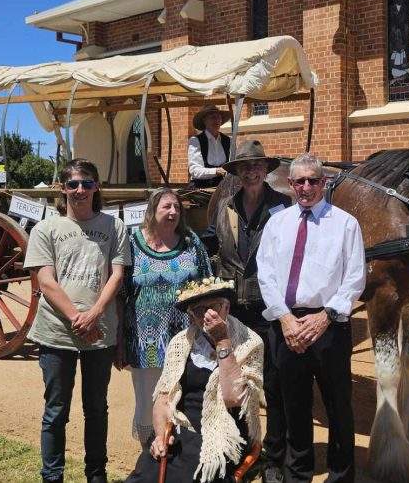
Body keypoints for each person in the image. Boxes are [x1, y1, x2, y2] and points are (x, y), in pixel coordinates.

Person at [256, 153, 365, 483]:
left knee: (338, 407)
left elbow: (355, 277)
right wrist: (285, 320)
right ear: (290, 185)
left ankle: (341, 475)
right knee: (295, 408)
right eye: (299, 181)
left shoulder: (346, 224)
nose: (306, 187)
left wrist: (325, 317)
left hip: (328, 326)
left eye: (312, 181)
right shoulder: (277, 223)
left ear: (324, 182)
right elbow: (266, 275)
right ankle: (298, 475)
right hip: (287, 327)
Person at [23, 158, 129, 483]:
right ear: (62, 188)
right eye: (72, 184)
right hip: (56, 334)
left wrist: (95, 313)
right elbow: (45, 280)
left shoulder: (115, 227)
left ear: (97, 187)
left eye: (86, 183)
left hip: (99, 333)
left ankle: (96, 475)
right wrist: (77, 318)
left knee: (97, 409)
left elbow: (118, 274)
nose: (79, 190)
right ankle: (51, 477)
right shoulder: (46, 229)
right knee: (56, 411)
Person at [126, 277, 264, 483]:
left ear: (226, 306)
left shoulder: (250, 342)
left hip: (226, 428)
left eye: (214, 307)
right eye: (199, 311)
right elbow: (164, 398)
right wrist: (159, 436)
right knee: (147, 474)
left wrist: (222, 341)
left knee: (188, 475)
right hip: (182, 425)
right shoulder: (181, 342)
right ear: (191, 316)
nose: (208, 315)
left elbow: (233, 398)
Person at [214, 140, 291, 483]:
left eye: (257, 166)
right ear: (237, 173)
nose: (252, 172)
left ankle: (274, 457)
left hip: (269, 307)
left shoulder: (283, 206)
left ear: (266, 170)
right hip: (236, 309)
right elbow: (216, 251)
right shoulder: (226, 206)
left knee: (274, 383)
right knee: (236, 381)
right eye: (245, 167)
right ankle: (240, 449)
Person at [118, 187, 213, 452]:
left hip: (185, 339)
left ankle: (179, 458)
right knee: (148, 402)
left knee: (182, 399)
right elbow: (119, 292)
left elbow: (206, 282)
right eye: (166, 207)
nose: (173, 212)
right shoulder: (132, 243)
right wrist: (119, 340)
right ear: (152, 210)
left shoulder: (191, 241)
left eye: (177, 208)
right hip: (144, 339)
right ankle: (150, 456)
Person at [187, 105, 232, 188]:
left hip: (223, 187)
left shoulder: (229, 141)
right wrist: (216, 171)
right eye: (212, 117)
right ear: (204, 120)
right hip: (201, 187)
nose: (217, 120)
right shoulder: (196, 141)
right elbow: (194, 170)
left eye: (219, 117)